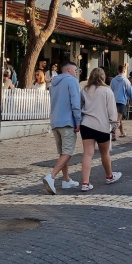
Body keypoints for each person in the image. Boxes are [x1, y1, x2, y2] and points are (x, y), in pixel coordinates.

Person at [43, 60, 83, 194]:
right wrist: (78, 120)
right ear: (69, 70)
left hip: (55, 121)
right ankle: (51, 176)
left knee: (62, 152)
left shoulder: (54, 83)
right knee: (68, 152)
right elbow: (75, 103)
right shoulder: (71, 81)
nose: (77, 72)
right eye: (75, 70)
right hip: (67, 121)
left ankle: (66, 180)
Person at [78, 68, 121, 191]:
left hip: (86, 124)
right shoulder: (107, 91)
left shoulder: (85, 90)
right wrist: (114, 127)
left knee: (87, 153)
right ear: (103, 77)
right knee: (104, 153)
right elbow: (112, 111)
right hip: (102, 126)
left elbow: (79, 106)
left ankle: (85, 183)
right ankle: (109, 176)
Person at [110, 65, 132, 141]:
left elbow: (110, 90)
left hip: (114, 100)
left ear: (117, 71)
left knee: (118, 118)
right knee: (118, 118)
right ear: (124, 71)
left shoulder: (113, 80)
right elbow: (130, 92)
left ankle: (122, 132)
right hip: (122, 101)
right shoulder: (126, 81)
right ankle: (114, 132)